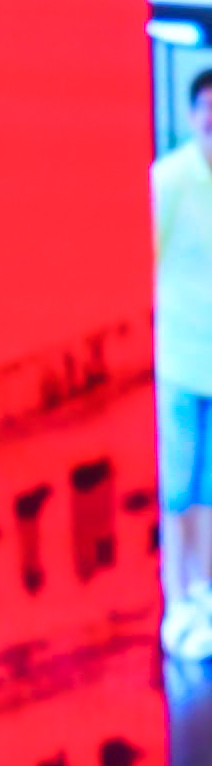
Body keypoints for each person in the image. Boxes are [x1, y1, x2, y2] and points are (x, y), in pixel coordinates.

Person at [156, 67, 212, 660]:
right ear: (194, 114)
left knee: (208, 491)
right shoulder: (168, 180)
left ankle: (202, 595)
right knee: (176, 491)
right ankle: (175, 602)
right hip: (177, 361)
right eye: (205, 107)